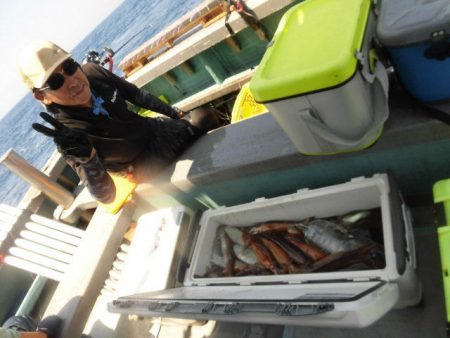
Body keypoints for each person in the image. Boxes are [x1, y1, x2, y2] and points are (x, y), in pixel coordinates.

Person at [17, 40, 219, 203]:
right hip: (141, 163)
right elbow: (107, 196)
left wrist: (176, 114)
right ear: (42, 97)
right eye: (55, 82)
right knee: (201, 124)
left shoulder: (93, 72)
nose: (72, 81)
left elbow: (137, 95)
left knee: (203, 116)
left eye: (69, 67)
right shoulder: (70, 136)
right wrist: (88, 159)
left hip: (153, 129)